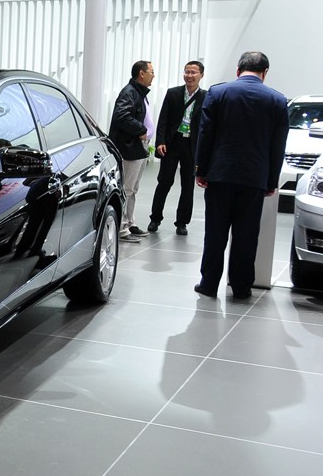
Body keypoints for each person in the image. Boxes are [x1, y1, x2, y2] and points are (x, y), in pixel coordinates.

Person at [193, 51, 288, 300]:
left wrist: (201, 170)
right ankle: (242, 286)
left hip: (220, 174)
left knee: (215, 232)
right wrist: (271, 180)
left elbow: (205, 134)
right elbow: (278, 146)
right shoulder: (277, 100)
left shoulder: (218, 93)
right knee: (246, 234)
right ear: (265, 73)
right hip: (254, 177)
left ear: (238, 70)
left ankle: (209, 283)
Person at [148, 60, 206, 235]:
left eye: (193, 72)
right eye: (187, 72)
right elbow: (163, 119)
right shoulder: (173, 93)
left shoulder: (206, 96)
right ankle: (155, 218)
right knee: (164, 182)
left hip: (191, 145)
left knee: (188, 186)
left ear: (201, 75)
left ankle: (182, 222)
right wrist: (160, 141)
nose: (189, 75)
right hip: (172, 143)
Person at [108, 60, 155, 241]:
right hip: (128, 148)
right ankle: (121, 228)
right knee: (126, 189)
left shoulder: (138, 92)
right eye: (151, 71)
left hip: (137, 148)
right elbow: (122, 115)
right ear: (142, 74)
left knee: (132, 188)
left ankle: (129, 222)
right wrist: (141, 130)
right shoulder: (130, 92)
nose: (153, 75)